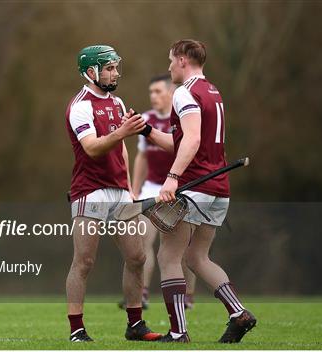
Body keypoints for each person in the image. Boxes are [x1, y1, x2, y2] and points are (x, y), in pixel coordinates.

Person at [141, 39, 257, 343]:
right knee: (196, 257)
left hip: (195, 188)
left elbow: (191, 142)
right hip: (218, 188)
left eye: (170, 61)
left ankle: (178, 333)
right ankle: (239, 314)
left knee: (168, 256)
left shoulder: (184, 92)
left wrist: (172, 177)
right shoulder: (212, 91)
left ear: (182, 60)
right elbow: (183, 141)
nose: (168, 68)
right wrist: (146, 131)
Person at [65, 44, 161, 342]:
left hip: (119, 192)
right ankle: (77, 329)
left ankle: (135, 325)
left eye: (115, 67)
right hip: (89, 191)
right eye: (109, 68)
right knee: (85, 261)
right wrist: (123, 132)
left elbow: (121, 147)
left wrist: (130, 189)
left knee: (137, 257)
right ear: (91, 71)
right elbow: (92, 147)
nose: (115, 72)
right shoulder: (80, 105)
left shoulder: (118, 103)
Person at [120, 74, 197, 310]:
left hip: (181, 189)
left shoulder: (185, 118)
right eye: (150, 92)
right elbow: (142, 157)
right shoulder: (146, 119)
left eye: (157, 91)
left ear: (171, 93)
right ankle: (142, 293)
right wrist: (133, 188)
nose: (153, 96)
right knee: (143, 242)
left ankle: (188, 295)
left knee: (184, 247)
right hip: (153, 189)